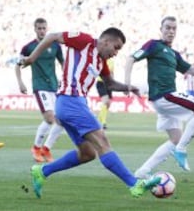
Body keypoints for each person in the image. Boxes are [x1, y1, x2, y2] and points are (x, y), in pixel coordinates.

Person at [21, 27, 160, 198]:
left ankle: (42, 171)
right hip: (70, 100)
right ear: (106, 41)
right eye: (116, 47)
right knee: (102, 141)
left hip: (71, 104)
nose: (116, 53)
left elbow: (109, 83)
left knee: (87, 153)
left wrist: (129, 87)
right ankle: (134, 183)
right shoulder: (84, 41)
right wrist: (31, 59)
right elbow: (52, 36)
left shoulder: (100, 62)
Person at [125, 16, 194, 177]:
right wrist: (127, 83)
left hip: (162, 101)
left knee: (175, 138)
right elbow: (131, 58)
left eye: (174, 28)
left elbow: (191, 71)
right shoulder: (154, 45)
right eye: (168, 27)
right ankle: (181, 149)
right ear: (161, 29)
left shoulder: (174, 54)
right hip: (165, 95)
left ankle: (141, 172)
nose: (171, 31)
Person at [15, 18, 64, 162]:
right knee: (50, 118)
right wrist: (20, 83)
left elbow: (63, 63)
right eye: (39, 28)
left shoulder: (55, 45)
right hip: (39, 86)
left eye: (44, 28)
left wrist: (66, 78)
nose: (42, 31)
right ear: (35, 29)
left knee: (62, 120)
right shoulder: (28, 47)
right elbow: (17, 65)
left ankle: (46, 149)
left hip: (54, 86)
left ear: (47, 29)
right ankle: (36, 147)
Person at [96, 58, 114, 130]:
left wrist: (112, 83)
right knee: (105, 101)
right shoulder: (101, 61)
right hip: (101, 83)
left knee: (108, 104)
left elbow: (112, 73)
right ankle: (103, 122)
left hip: (109, 83)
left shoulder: (111, 62)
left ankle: (98, 120)